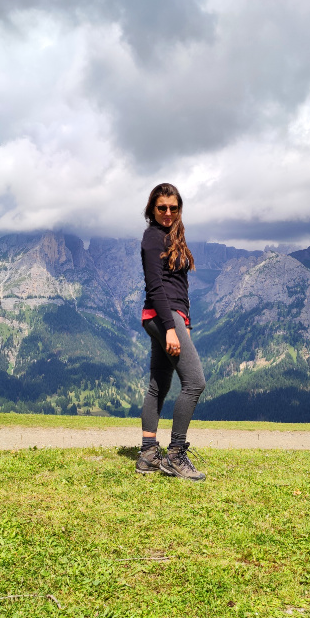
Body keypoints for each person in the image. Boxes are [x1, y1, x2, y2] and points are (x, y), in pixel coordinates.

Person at [135, 183, 207, 481]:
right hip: (163, 316)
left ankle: (148, 454)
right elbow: (156, 287)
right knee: (195, 382)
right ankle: (175, 455)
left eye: (173, 208)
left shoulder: (173, 237)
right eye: (161, 207)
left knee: (158, 385)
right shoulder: (153, 238)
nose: (167, 212)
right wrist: (170, 329)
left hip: (170, 317)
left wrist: (185, 323)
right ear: (152, 208)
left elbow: (180, 288)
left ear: (179, 209)